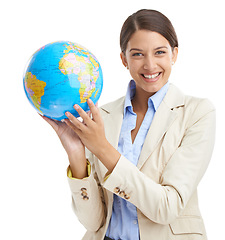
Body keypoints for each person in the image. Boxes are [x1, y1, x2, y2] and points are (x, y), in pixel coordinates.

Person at [42, 9, 215, 240]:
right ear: (124, 59)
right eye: (137, 54)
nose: (150, 65)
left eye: (160, 52)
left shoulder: (197, 113)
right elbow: (93, 222)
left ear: (174, 54)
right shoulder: (101, 116)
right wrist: (76, 153)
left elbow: (167, 207)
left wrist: (102, 147)